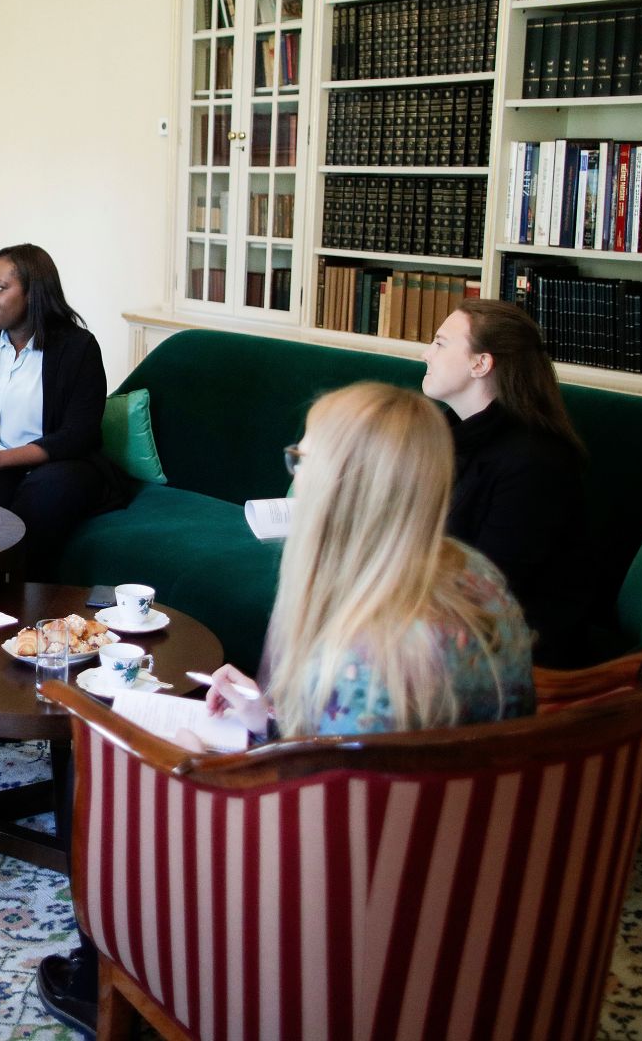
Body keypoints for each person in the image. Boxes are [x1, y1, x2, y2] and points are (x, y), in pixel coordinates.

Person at [36, 382, 535, 1034]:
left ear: (340, 486)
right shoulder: (476, 579)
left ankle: (95, 972)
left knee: (92, 753)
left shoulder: (364, 651)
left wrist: (205, 756)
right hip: (459, 880)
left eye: (302, 462)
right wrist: (267, 719)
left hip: (328, 920)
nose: (295, 480)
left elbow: (312, 816)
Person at [422, 298, 589, 666]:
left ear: (480, 363)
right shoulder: (453, 433)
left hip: (508, 642)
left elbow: (490, 584)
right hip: (451, 611)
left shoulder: (535, 463)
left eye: (439, 343)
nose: (426, 354)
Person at [0, 244, 121, 570]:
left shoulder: (78, 348)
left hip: (56, 465)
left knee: (43, 494)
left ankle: (24, 598)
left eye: (0, 288)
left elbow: (78, 435)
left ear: (33, 294)